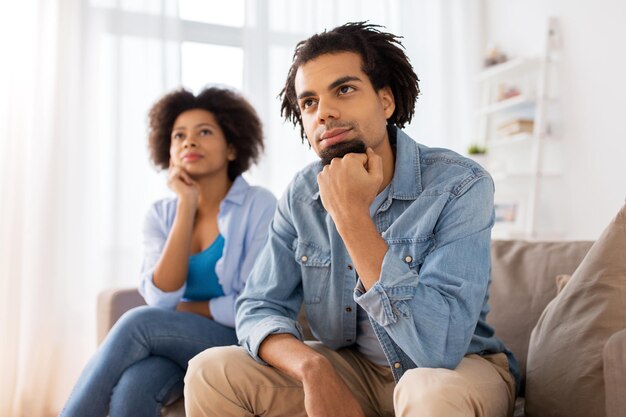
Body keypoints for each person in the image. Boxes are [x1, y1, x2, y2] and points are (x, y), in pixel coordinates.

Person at [184, 22, 519, 417]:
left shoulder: (460, 184)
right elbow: (259, 305)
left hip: (457, 370)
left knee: (426, 391)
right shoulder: (301, 194)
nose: (323, 112)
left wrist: (351, 216)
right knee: (210, 371)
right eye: (309, 103)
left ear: (386, 102)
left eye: (344, 89)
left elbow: (437, 347)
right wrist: (312, 369)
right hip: (353, 370)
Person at [60, 87, 277, 417]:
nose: (189, 142)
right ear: (168, 150)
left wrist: (188, 308)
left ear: (232, 148)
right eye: (179, 136)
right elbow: (162, 300)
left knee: (138, 322)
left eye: (204, 132)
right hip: (178, 340)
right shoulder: (161, 214)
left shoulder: (259, 205)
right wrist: (186, 207)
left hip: (243, 338)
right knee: (134, 387)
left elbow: (251, 305)